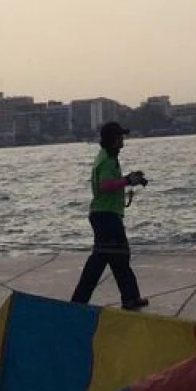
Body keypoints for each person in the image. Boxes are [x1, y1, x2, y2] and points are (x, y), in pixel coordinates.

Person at [70, 121, 149, 310]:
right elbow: (106, 185)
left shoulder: (108, 157)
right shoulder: (106, 160)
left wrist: (129, 179)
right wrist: (128, 180)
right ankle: (128, 299)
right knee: (115, 257)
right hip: (106, 217)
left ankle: (81, 302)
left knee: (107, 260)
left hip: (104, 216)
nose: (123, 140)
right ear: (113, 139)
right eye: (120, 137)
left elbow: (112, 182)